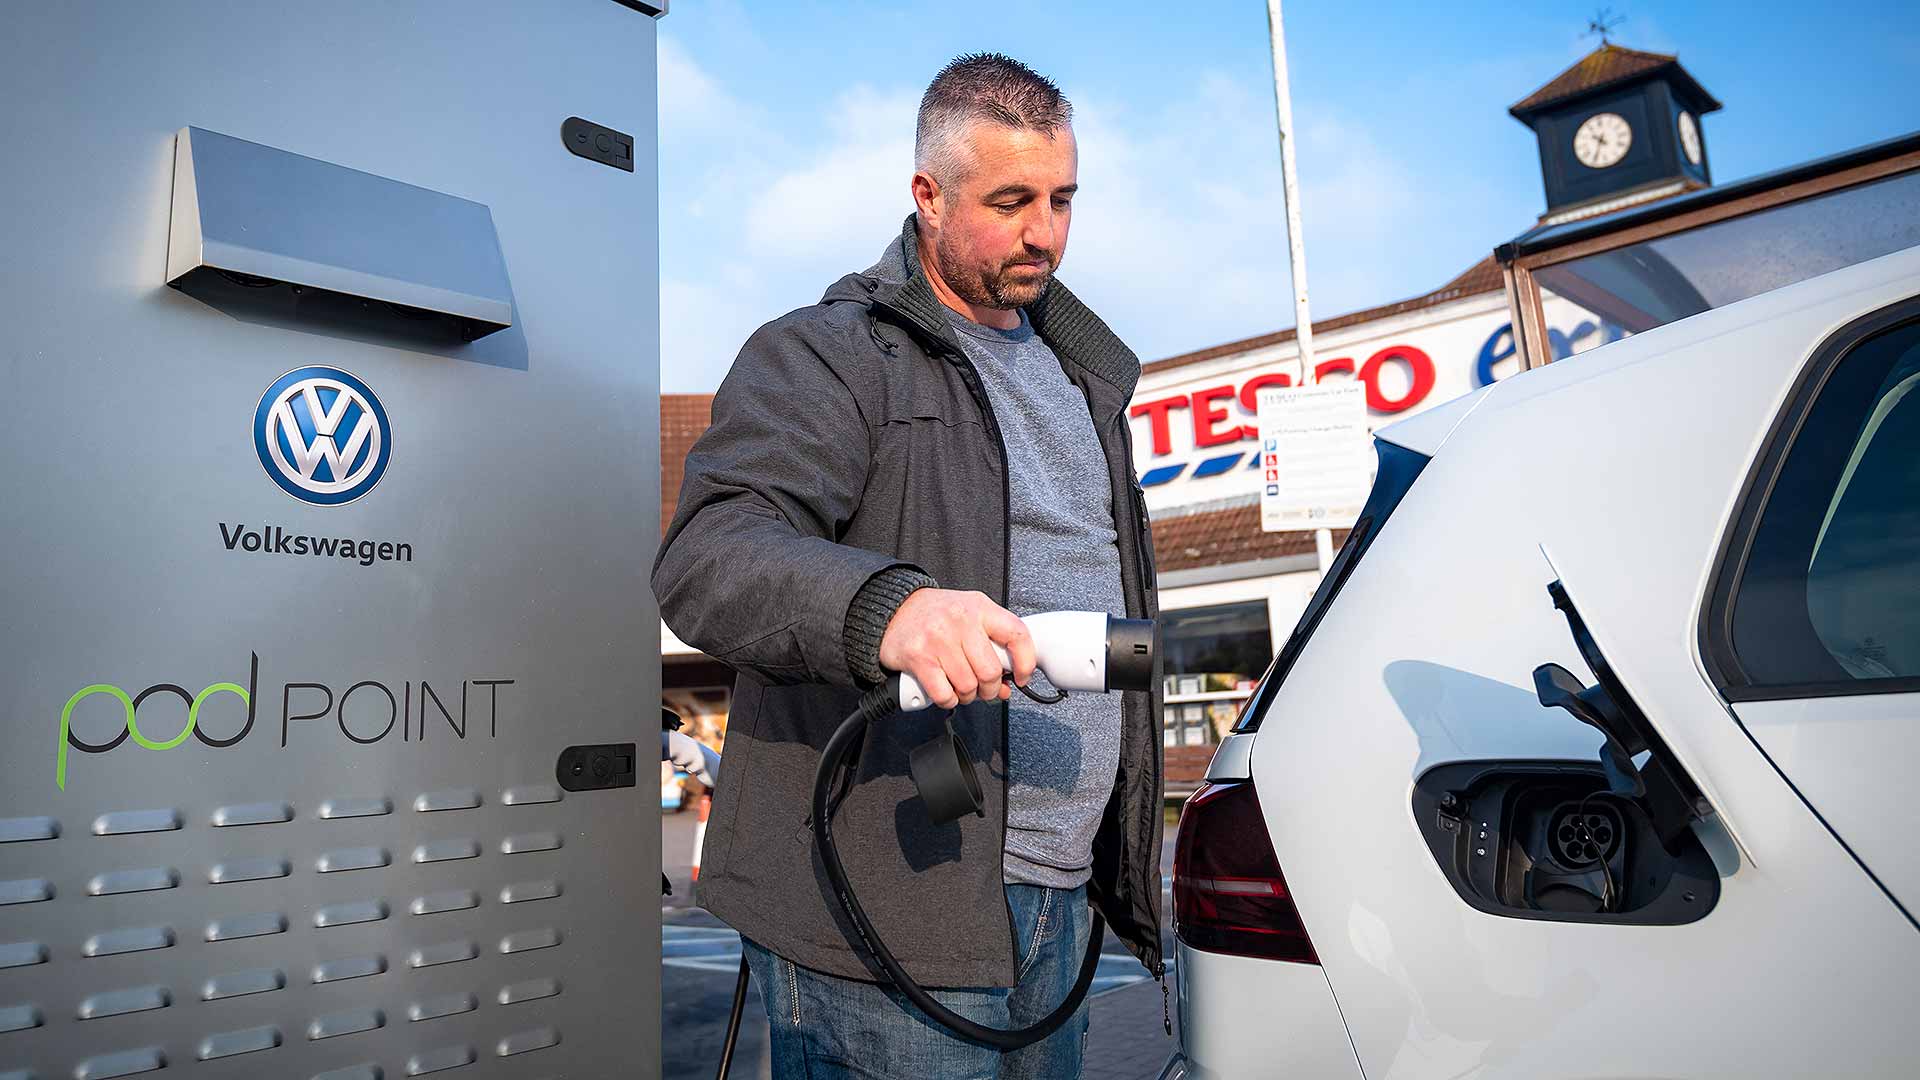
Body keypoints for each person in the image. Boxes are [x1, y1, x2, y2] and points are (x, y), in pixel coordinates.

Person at [653, 52, 1162, 1079]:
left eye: (1063, 198)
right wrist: (888, 611)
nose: (1046, 232)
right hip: (891, 901)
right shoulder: (830, 355)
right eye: (1011, 200)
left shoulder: (1085, 379)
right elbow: (708, 553)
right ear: (927, 196)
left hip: (1064, 896)